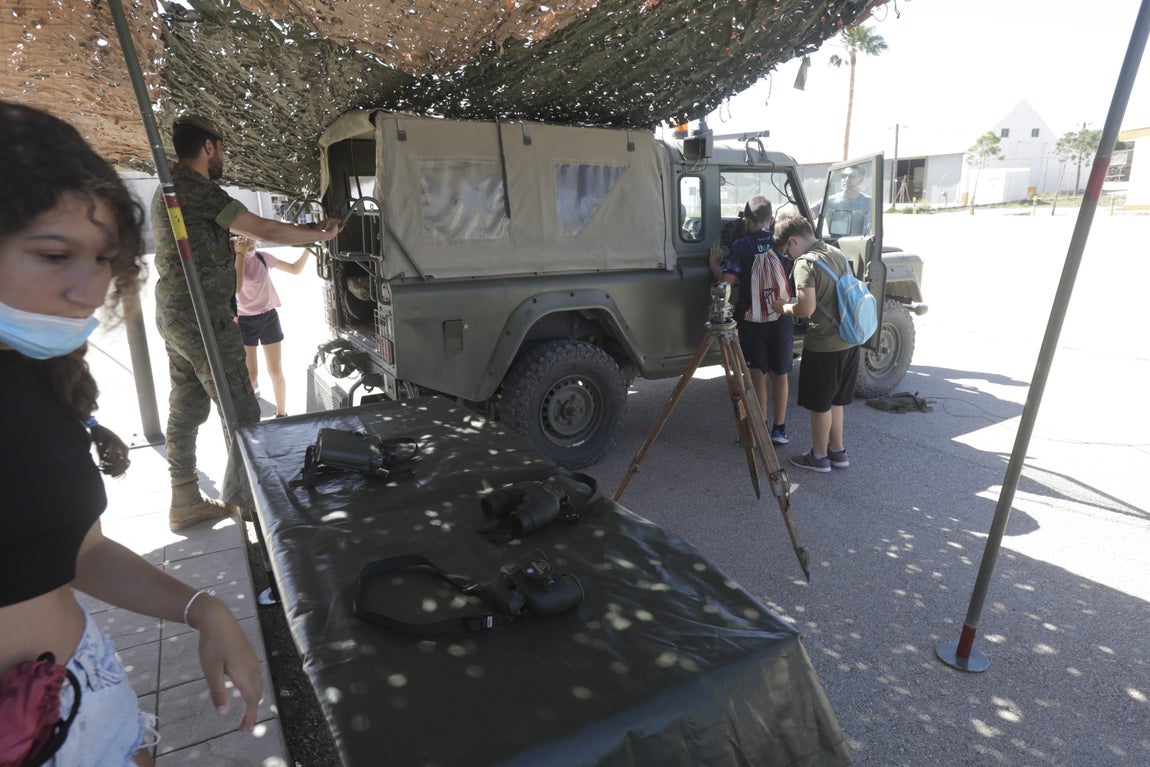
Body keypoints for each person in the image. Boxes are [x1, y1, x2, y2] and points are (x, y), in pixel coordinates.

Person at [0, 100, 262, 767]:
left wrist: (202, 605)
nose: (90, 290)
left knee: (187, 408)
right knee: (235, 413)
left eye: (104, 260)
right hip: (20, 732)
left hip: (86, 690)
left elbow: (74, 549)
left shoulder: (36, 379)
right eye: (55, 254)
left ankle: (187, 493)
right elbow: (254, 225)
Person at [152, 114, 341, 532]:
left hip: (176, 312)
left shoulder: (167, 190)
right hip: (202, 316)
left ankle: (184, 497)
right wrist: (319, 234)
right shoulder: (195, 189)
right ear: (208, 146)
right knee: (241, 405)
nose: (222, 156)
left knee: (186, 401)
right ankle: (254, 501)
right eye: (221, 148)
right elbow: (265, 227)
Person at [770, 213, 858, 473]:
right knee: (836, 401)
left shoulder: (805, 264)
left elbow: (806, 308)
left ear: (794, 240)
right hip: (848, 340)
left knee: (819, 404)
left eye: (787, 251)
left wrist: (783, 307)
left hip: (824, 346)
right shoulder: (835, 252)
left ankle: (818, 456)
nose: (788, 257)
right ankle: (837, 451)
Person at [711, 196, 794, 445]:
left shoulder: (741, 245)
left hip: (752, 320)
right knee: (781, 374)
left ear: (747, 221)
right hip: (782, 317)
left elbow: (726, 283)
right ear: (771, 219)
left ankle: (759, 428)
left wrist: (713, 264)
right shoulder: (781, 242)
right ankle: (779, 430)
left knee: (758, 374)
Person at [234, 235, 310, 418]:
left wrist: (308, 248)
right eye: (241, 238)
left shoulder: (262, 257)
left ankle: (282, 414)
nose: (248, 241)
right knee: (252, 375)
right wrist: (241, 255)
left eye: (250, 238)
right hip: (244, 321)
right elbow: (236, 288)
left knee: (276, 370)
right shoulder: (233, 261)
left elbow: (295, 269)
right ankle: (249, 419)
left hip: (268, 317)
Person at [822, 167, 871, 236]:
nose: (847, 180)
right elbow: (808, 214)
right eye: (844, 176)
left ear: (861, 180)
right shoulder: (828, 201)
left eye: (852, 177)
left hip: (858, 245)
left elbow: (876, 233)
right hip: (833, 244)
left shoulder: (868, 202)